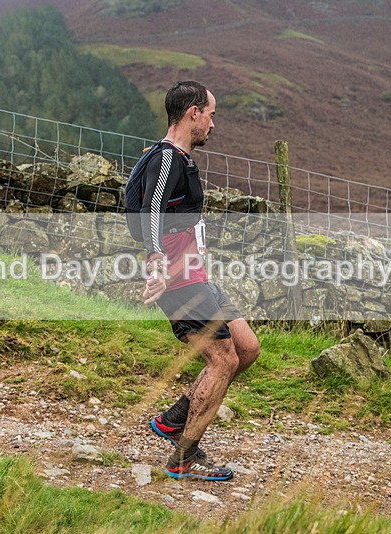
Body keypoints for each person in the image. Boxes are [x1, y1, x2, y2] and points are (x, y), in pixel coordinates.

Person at [139, 80, 261, 481]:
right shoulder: (167, 158)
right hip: (178, 279)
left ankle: (175, 419)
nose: (213, 123)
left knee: (246, 347)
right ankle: (183, 460)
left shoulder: (179, 160)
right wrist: (156, 257)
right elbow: (150, 211)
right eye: (211, 114)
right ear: (194, 113)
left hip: (195, 274)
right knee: (222, 358)